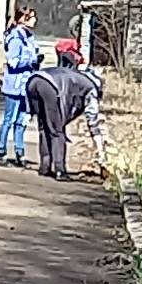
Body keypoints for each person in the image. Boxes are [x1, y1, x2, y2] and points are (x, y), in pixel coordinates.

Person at [33, 35, 102, 178]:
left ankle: (45, 167)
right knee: (57, 131)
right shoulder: (91, 89)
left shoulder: (76, 78)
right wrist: (100, 150)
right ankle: (60, 169)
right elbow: (92, 119)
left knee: (44, 127)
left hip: (35, 80)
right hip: (50, 85)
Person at [0, 9, 43, 166]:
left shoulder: (29, 37)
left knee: (22, 121)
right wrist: (31, 61)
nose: (35, 20)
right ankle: (1, 152)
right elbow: (13, 62)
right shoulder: (16, 38)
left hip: (26, 86)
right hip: (14, 85)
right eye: (32, 17)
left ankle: (20, 152)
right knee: (9, 120)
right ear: (23, 19)